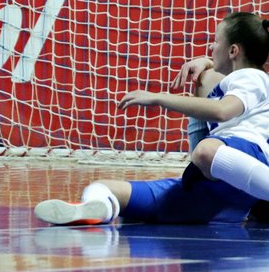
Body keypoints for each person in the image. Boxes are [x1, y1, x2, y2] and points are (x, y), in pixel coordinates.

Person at [35, 12, 269, 225]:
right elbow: (209, 82)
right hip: (212, 188)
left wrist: (159, 98)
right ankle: (97, 209)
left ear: (233, 51)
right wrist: (205, 62)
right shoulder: (230, 82)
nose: (211, 45)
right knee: (103, 188)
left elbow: (223, 111)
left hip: (248, 157)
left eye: (217, 40)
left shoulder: (253, 77)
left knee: (205, 151)